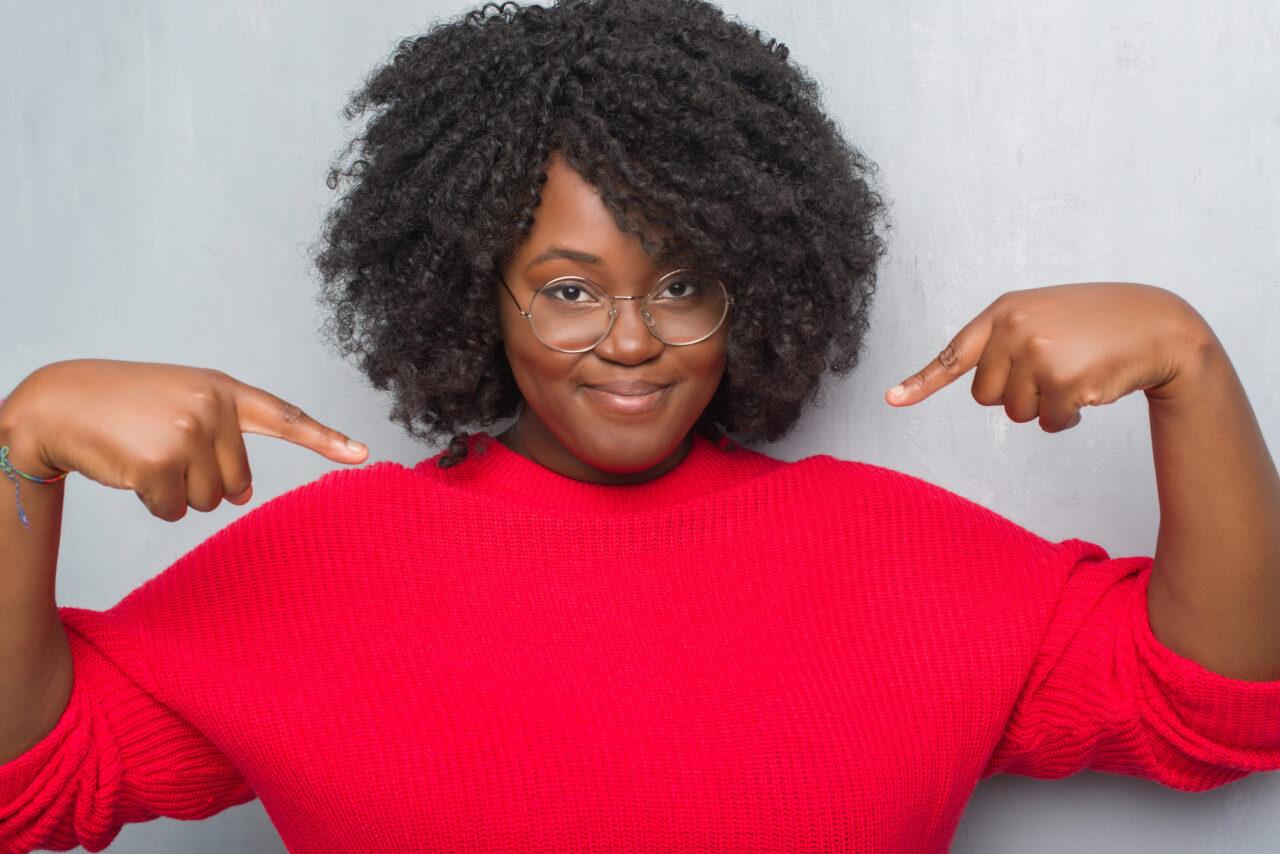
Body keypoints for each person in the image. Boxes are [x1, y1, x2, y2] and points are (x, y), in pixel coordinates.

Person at [1, 0, 1277, 851]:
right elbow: (28, 783)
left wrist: (1191, 364)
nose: (628, 338)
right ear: (466, 286)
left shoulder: (899, 554)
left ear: (756, 279)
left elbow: (1220, 706)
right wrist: (20, 450)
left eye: (680, 283)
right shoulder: (305, 574)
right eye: (568, 289)